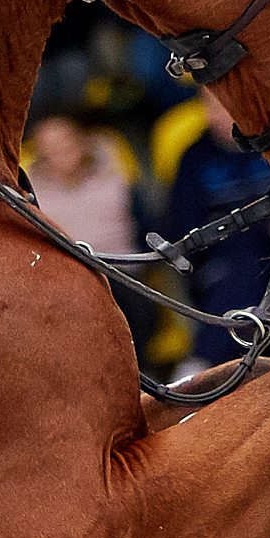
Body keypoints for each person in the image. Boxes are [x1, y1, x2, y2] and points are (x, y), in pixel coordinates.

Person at [164, 92, 270, 369]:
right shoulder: (193, 159)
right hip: (229, 258)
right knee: (239, 278)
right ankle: (198, 369)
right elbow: (183, 226)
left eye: (228, 106)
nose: (221, 115)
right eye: (213, 107)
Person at [28, 114, 157, 359]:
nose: (61, 153)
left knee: (124, 301)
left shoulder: (115, 177)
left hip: (122, 274)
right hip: (66, 284)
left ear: (82, 141)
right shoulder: (32, 197)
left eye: (66, 142)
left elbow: (148, 229)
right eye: (51, 148)